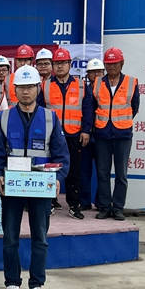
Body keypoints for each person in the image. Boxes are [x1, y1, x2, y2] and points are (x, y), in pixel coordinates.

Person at [0, 65, 69, 289]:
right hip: (12, 186)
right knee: (10, 238)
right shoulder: (4, 117)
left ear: (38, 88)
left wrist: (58, 178)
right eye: (21, 87)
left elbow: (61, 154)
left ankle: (37, 285)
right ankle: (12, 283)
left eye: (29, 87)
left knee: (40, 238)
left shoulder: (50, 118)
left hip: (40, 187)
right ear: (14, 90)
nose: (25, 91)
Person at [38, 47, 93, 220]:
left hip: (74, 135)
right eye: (57, 63)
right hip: (51, 136)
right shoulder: (45, 86)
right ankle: (50, 203)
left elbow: (88, 110)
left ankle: (74, 206)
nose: (60, 66)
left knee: (74, 172)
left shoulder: (81, 85)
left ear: (70, 64)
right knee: (50, 170)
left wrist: (86, 130)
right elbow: (40, 111)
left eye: (63, 63)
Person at [93, 47, 140, 221]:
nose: (111, 66)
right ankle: (105, 207)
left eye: (115, 63)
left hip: (123, 134)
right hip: (102, 134)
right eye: (108, 63)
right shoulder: (98, 83)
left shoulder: (131, 82)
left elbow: (134, 107)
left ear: (122, 63)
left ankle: (118, 207)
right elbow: (93, 106)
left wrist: (120, 121)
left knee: (121, 174)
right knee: (102, 173)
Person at [80, 58, 105, 211]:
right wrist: (85, 130)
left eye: (99, 72)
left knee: (102, 171)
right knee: (84, 171)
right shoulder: (83, 90)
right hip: (85, 136)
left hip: (103, 136)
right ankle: (84, 201)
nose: (96, 75)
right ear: (87, 74)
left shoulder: (108, 90)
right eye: (93, 72)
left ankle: (101, 202)